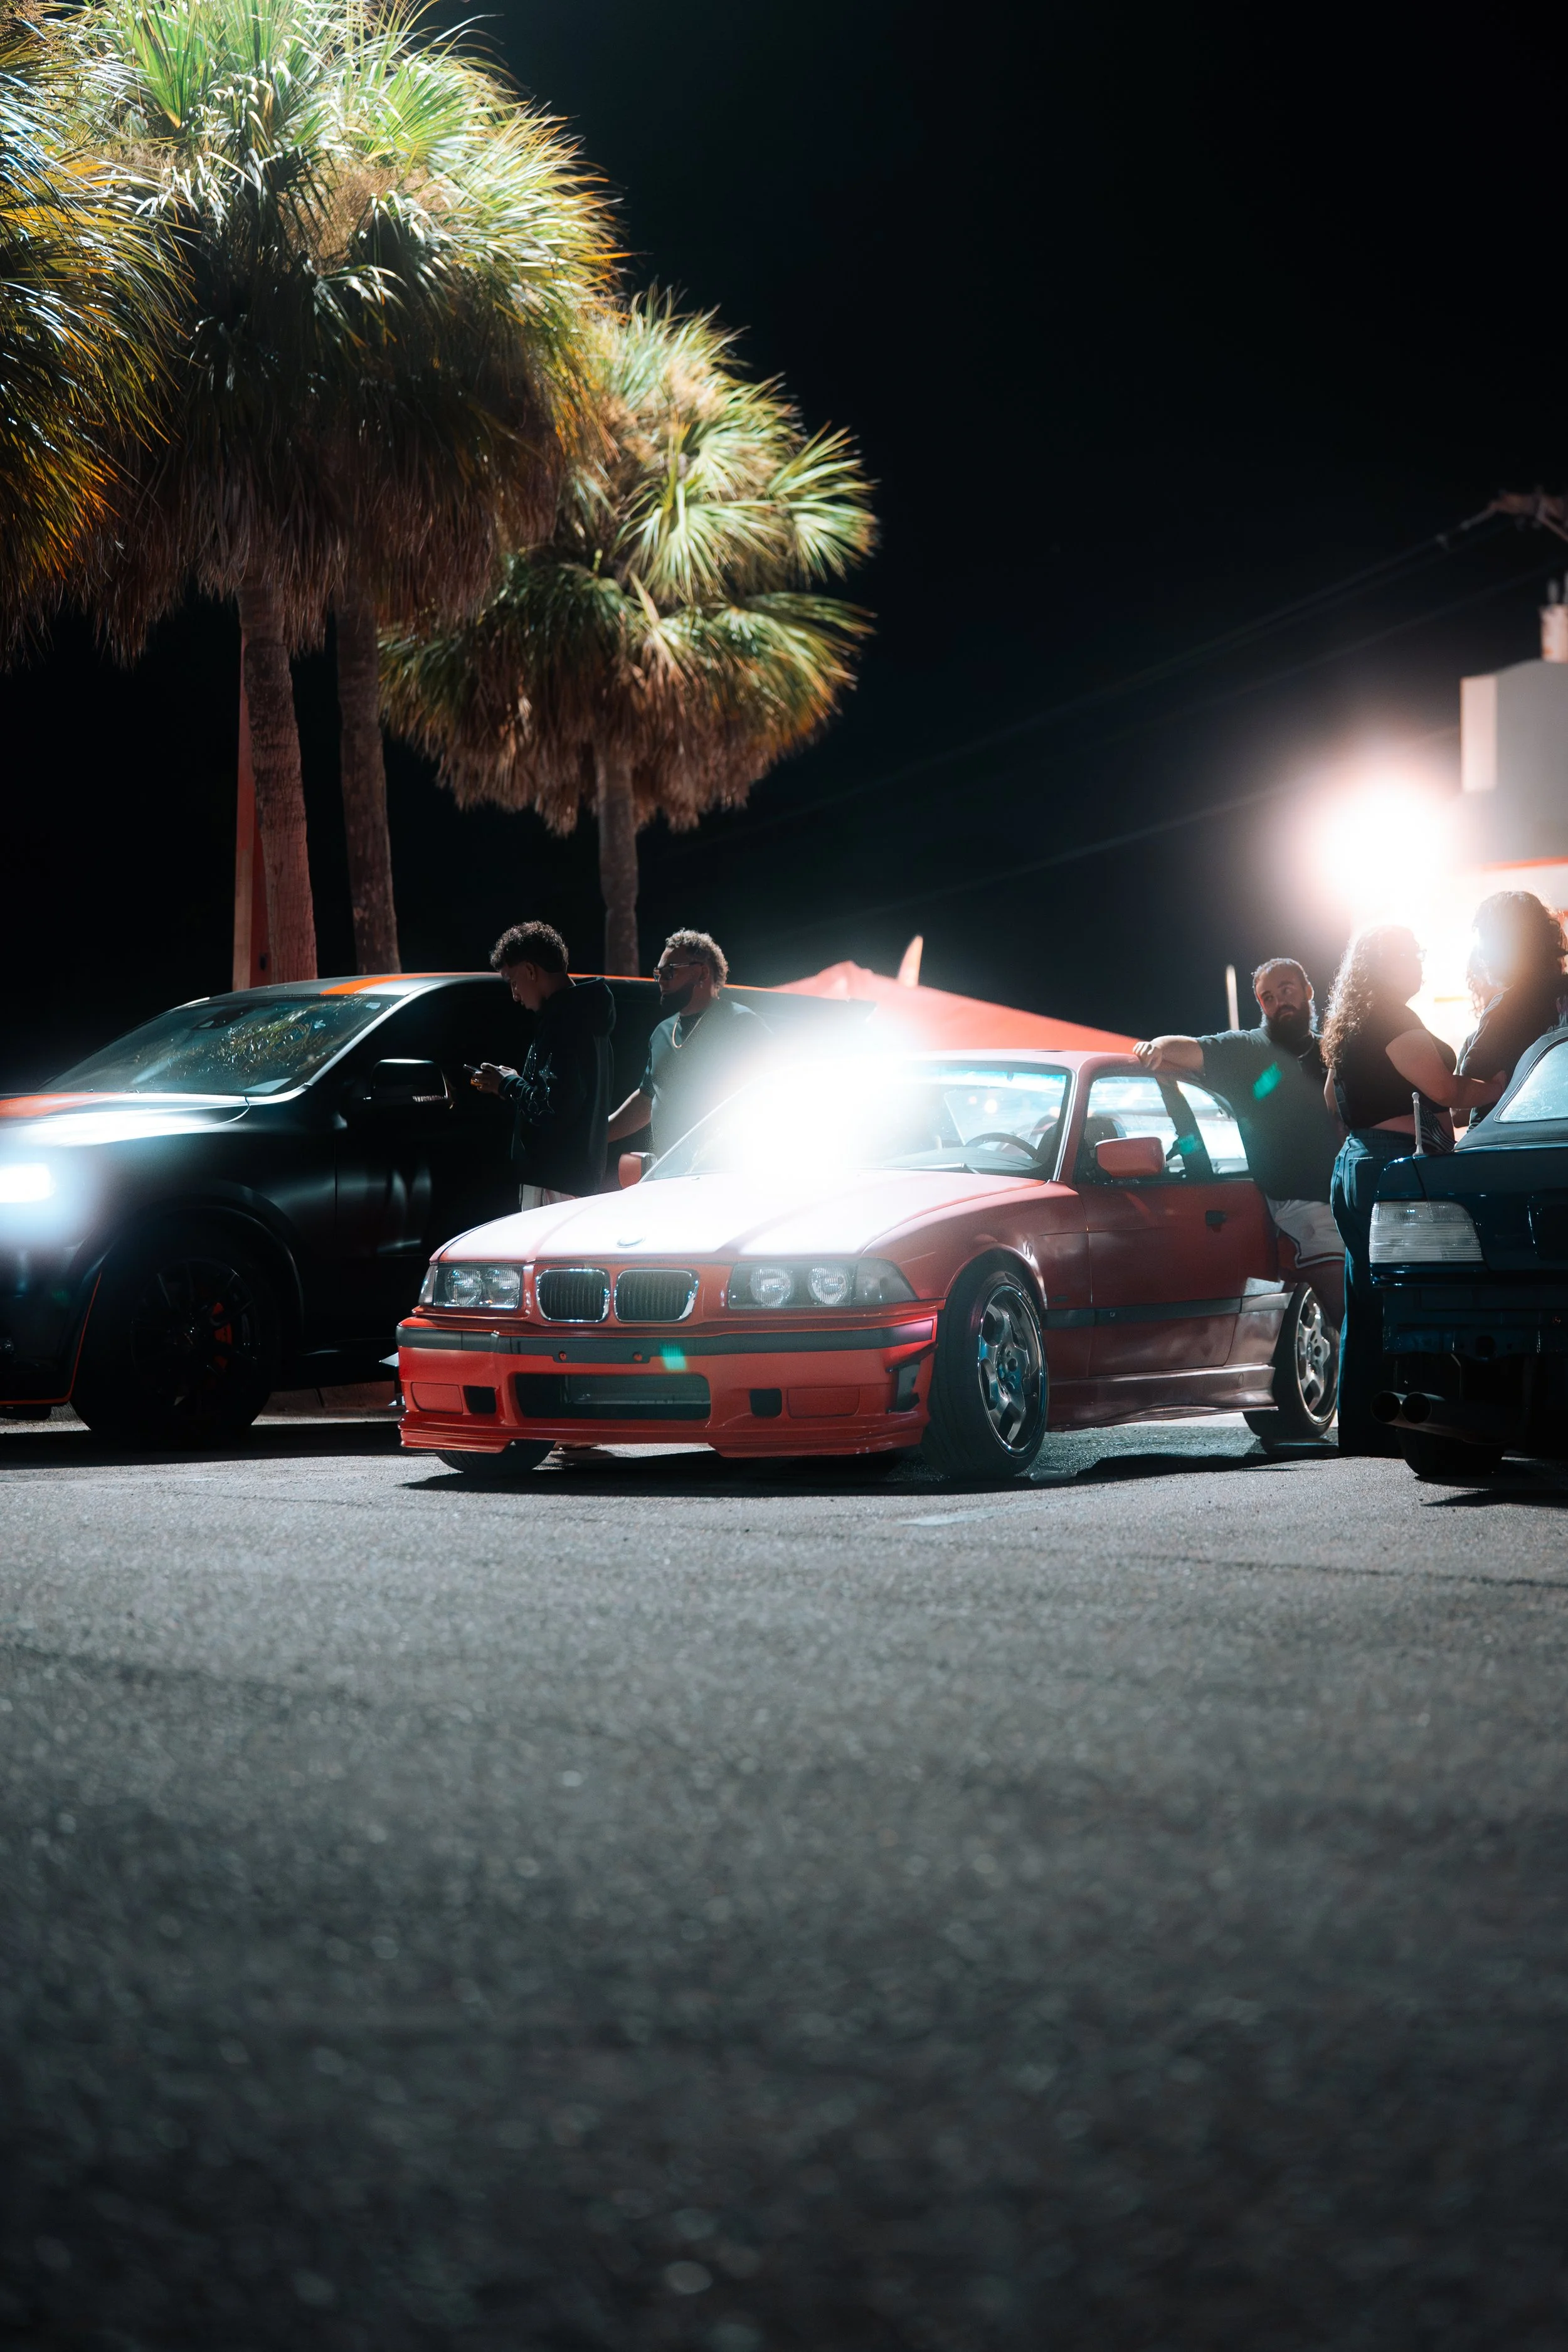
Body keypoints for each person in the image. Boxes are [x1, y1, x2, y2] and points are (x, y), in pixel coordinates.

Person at [1320, 925, 1503, 1454]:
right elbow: (1445, 1090)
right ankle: (1408, 1423)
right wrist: (1496, 1089)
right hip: (1389, 1167)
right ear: (1389, 963)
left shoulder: (1352, 1024)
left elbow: (1332, 1100)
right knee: (1406, 1295)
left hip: (1356, 1163)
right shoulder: (1393, 1019)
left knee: (1365, 1298)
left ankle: (1362, 1430)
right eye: (1413, 955)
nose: (1420, 964)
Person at [1135, 957, 1344, 1321]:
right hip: (1300, 1206)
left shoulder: (1333, 1052)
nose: (1280, 1003)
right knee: (1349, 1313)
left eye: (1287, 991)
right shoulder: (1248, 1049)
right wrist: (1155, 1047)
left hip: (1351, 1199)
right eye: (1268, 998)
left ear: (1308, 991)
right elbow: (1189, 1048)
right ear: (1261, 1006)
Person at [472, 923, 615, 1205]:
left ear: (530, 970)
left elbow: (553, 1110)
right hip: (572, 1182)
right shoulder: (584, 1015)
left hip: (555, 1184)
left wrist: (508, 1084)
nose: (515, 995)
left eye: (513, 981)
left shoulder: (566, 1023)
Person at [607, 930, 766, 1157]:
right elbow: (646, 1100)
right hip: (668, 1177)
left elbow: (768, 1096)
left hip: (721, 1174)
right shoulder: (662, 1032)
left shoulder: (740, 1024)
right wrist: (597, 1135)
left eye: (669, 972)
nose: (661, 980)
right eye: (657, 973)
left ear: (701, 973)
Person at [1458, 889, 1568, 1097]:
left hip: (1518, 1123)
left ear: (1507, 944)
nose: (1482, 954)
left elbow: (1472, 1073)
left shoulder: (1507, 1005)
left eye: (1486, 940)